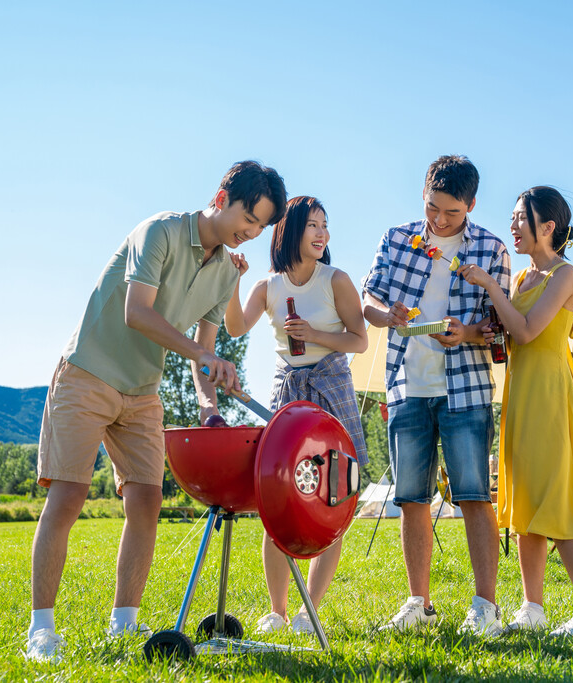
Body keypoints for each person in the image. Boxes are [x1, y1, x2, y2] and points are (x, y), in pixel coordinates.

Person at [26, 161, 286, 662]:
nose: (249, 234)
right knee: (69, 496)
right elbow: (136, 312)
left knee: (146, 500)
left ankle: (123, 622)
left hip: (142, 392)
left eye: (259, 228)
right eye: (247, 219)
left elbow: (204, 354)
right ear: (221, 196)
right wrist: (202, 355)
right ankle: (41, 631)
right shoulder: (159, 232)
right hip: (88, 373)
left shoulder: (224, 272)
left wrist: (210, 406)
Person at [458, 186, 573, 637]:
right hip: (520, 394)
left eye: (519, 218)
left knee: (554, 499)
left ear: (546, 227)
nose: (512, 225)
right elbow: (507, 337)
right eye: (511, 218)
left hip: (550, 396)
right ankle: (534, 606)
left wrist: (491, 287)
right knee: (526, 500)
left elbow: (528, 332)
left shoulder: (564, 275)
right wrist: (469, 333)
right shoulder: (523, 279)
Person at [362, 155, 511, 635]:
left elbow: (502, 327)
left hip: (466, 386)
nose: (439, 220)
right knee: (411, 499)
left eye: (450, 212)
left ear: (470, 204)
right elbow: (368, 298)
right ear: (423, 194)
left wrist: (466, 333)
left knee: (472, 495)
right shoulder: (396, 238)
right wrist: (388, 315)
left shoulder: (491, 249)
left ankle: (485, 607)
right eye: (432, 208)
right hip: (408, 384)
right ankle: (418, 605)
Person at [223, 195, 369, 635]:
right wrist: (233, 283)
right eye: (313, 225)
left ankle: (310, 610)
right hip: (286, 391)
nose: (322, 234)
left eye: (326, 225)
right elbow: (234, 328)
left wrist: (316, 334)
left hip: (331, 386)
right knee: (278, 497)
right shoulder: (268, 287)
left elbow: (360, 340)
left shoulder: (336, 280)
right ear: (290, 231)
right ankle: (278, 609)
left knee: (335, 497)